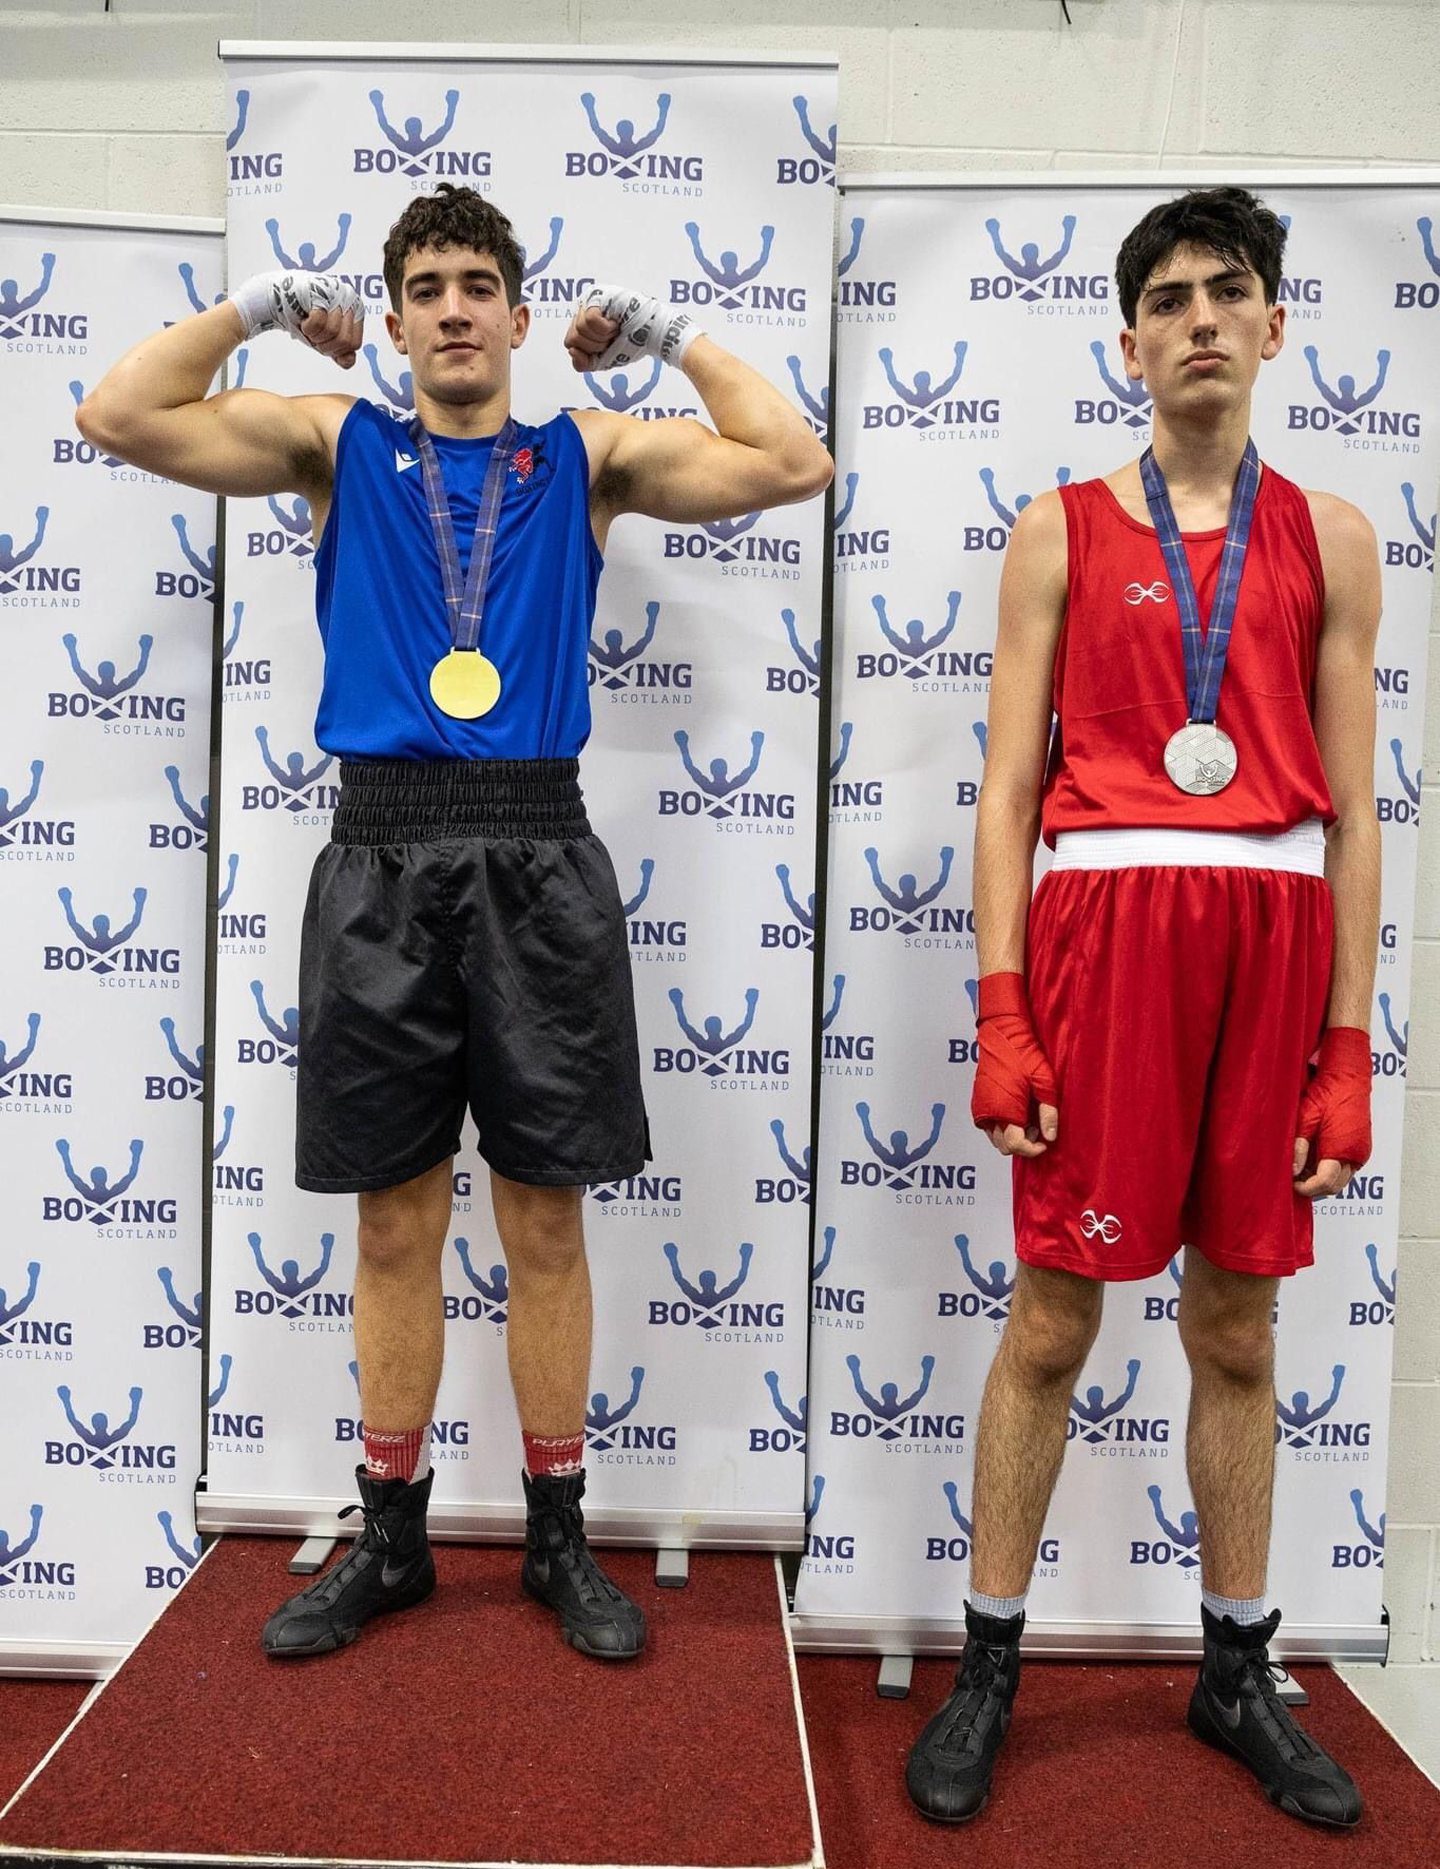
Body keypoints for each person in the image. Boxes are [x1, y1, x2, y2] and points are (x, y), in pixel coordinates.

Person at [78, 184, 831, 1664]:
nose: (454, 307)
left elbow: (791, 459)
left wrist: (670, 336)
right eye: (425, 286)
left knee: (545, 1214)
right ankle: (397, 1535)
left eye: (480, 282)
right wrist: (270, 304)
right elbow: (117, 411)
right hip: (380, 847)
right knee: (395, 1219)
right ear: (400, 313)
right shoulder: (332, 442)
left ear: (521, 313)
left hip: (540, 846)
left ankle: (559, 1539)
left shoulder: (585, 453)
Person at [905, 187, 1377, 1830]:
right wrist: (1004, 1007)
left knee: (1239, 1325)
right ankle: (988, 1662)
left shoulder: (1334, 534)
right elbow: (1005, 787)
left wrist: (1345, 1040)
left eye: (1224, 291)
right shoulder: (1060, 526)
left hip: (1271, 923)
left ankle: (1237, 1667)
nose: (1194, 317)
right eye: (1165, 297)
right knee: (1052, 1319)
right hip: (1107, 928)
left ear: (1269, 324)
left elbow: (1361, 811)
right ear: (1127, 339)